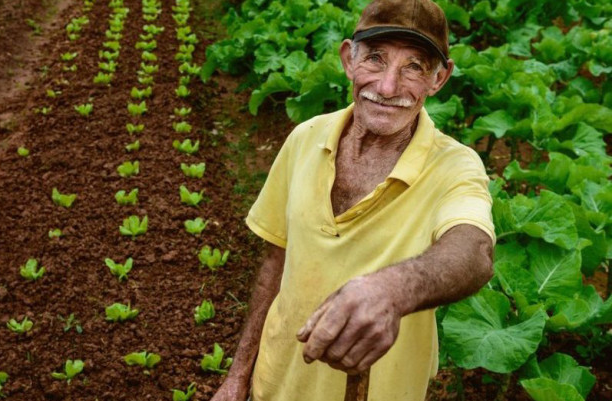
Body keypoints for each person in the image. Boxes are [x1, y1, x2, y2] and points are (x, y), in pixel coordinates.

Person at [210, 0, 496, 400]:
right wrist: (239, 373)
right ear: (349, 59)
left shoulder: (455, 167)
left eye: (414, 66)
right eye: (376, 59)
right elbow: (275, 260)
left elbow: (474, 250)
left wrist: (393, 289)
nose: (388, 87)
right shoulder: (305, 138)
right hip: (275, 384)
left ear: (439, 79)